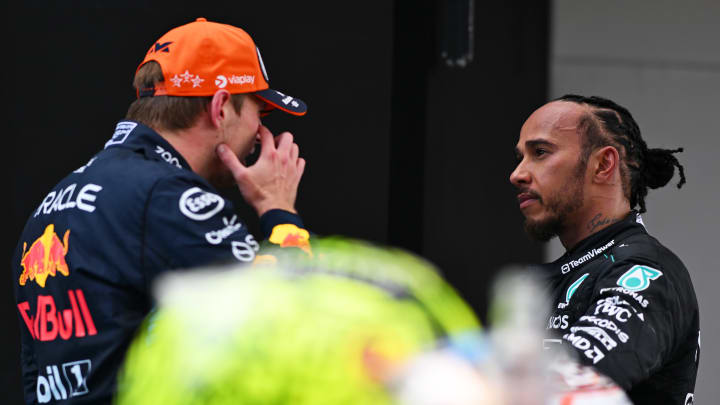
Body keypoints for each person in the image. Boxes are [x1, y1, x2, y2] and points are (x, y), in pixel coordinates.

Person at [12, 17, 311, 404]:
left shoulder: (53, 203)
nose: (260, 132)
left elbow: (35, 373)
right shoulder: (168, 196)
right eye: (260, 111)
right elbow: (292, 322)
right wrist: (278, 209)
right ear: (220, 108)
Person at [509, 94, 700, 404]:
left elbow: (576, 379)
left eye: (540, 152)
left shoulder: (645, 269)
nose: (517, 174)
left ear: (603, 164)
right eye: (520, 157)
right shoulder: (551, 278)